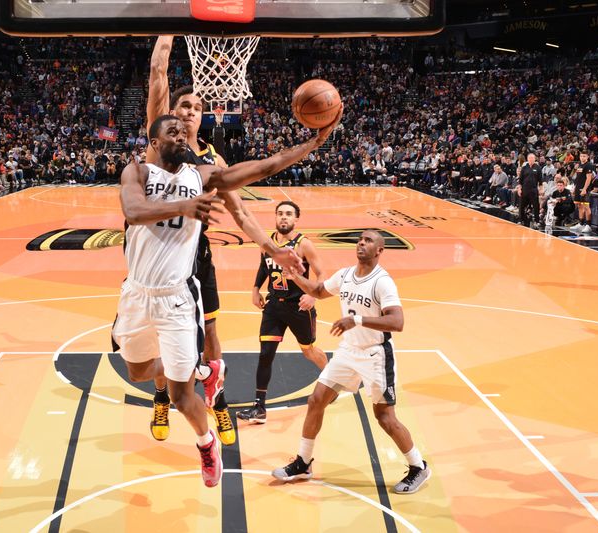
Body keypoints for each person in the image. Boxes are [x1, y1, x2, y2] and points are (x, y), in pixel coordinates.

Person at [113, 112, 339, 488]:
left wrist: (312, 144)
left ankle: (205, 444)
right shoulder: (137, 173)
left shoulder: (203, 176)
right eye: (173, 131)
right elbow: (133, 211)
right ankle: (202, 370)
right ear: (154, 143)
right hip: (136, 294)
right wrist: (182, 208)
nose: (183, 135)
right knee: (137, 372)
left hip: (177, 298)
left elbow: (262, 167)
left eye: (185, 132)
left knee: (182, 396)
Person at [144, 35, 304, 446]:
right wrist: (169, 28)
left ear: (203, 117)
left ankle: (216, 400)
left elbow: (243, 214)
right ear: (171, 115)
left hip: (196, 258)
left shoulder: (215, 162)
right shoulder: (158, 148)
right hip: (154, 259)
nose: (191, 112)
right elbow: (158, 74)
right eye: (184, 106)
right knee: (162, 340)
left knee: (211, 332)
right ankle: (163, 395)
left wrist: (274, 251)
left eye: (198, 108)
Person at [271, 230, 431, 495]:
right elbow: (319, 291)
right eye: (360, 240)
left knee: (385, 418)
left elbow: (397, 321)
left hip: (375, 354)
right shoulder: (346, 275)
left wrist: (356, 321)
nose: (361, 243)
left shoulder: (382, 282)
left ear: (379, 250)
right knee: (316, 400)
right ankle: (303, 462)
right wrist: (295, 277)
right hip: (348, 350)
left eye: (368, 241)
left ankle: (418, 466)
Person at [237, 200, 328, 424]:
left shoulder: (303, 244)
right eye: (280, 214)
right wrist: (256, 289)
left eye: (288, 214)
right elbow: (263, 267)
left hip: (299, 307)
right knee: (266, 354)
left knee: (309, 351)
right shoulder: (268, 243)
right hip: (274, 306)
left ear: (296, 219)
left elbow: (322, 273)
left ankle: (331, 380)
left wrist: (313, 295)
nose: (283, 217)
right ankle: (259, 407)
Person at [569, 150, 594, 234]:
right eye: (581, 156)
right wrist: (575, 187)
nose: (582, 157)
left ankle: (588, 225)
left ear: (587, 157)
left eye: (584, 156)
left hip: (584, 189)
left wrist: (584, 189)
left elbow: (588, 178)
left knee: (586, 206)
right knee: (579, 206)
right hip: (578, 188)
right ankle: (581, 223)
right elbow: (578, 178)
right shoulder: (580, 164)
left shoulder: (589, 165)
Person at [517, 153, 542, 228]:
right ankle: (520, 220)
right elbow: (520, 180)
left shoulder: (538, 168)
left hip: (534, 191)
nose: (531, 159)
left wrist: (541, 190)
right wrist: (519, 189)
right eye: (530, 158)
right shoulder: (524, 168)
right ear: (527, 159)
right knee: (521, 206)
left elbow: (540, 181)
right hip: (524, 190)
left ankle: (537, 221)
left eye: (532, 158)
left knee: (536, 206)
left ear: (535, 159)